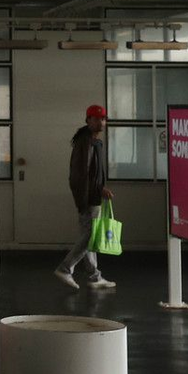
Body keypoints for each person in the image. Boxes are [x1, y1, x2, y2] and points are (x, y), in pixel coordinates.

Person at [55, 104, 116, 291]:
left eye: (103, 119)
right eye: (96, 119)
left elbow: (90, 173)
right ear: (88, 120)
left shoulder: (92, 141)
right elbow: (82, 174)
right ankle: (65, 268)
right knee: (90, 236)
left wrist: (99, 189)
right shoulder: (86, 143)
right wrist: (98, 191)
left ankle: (94, 276)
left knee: (89, 235)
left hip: (91, 196)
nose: (101, 122)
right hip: (89, 198)